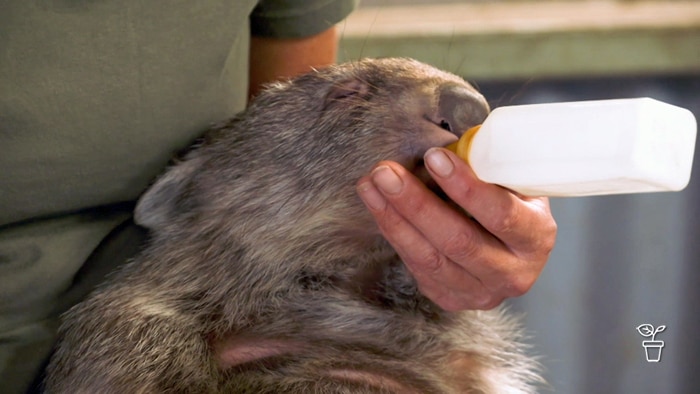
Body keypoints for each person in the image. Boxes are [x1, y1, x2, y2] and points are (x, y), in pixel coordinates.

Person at [0, 1, 556, 392]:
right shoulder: (143, 331)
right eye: (347, 98)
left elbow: (292, 92)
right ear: (193, 188)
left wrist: (490, 235)